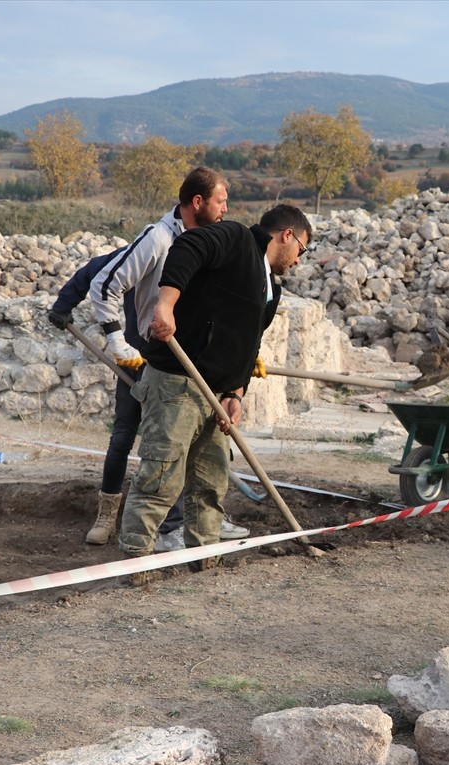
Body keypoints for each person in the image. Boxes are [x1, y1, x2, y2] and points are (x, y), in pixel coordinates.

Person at [47, 166, 238, 546]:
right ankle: (109, 514)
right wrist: (84, 317)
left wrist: (240, 361)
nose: (226, 209)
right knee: (126, 436)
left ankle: (177, 525)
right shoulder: (158, 239)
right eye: (221, 201)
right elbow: (101, 272)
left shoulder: (208, 240)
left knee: (177, 441)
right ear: (197, 202)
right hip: (141, 355)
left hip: (184, 359)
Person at [118, 204, 312, 570]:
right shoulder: (236, 238)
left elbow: (249, 345)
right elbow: (190, 246)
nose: (299, 260)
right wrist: (167, 304)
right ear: (287, 235)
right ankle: (134, 565)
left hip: (217, 398)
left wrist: (236, 393)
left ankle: (204, 563)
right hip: (177, 382)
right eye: (302, 249)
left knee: (209, 486)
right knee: (160, 479)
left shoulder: (271, 290)